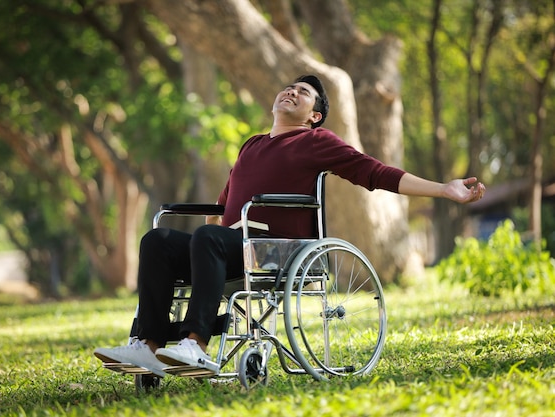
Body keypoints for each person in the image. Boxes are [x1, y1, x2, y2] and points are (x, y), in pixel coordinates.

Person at [94, 75, 486, 377]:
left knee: (209, 238)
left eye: (303, 92)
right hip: (228, 245)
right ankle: (149, 346)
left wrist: (445, 190)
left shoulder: (316, 141)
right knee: (158, 239)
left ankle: (195, 345)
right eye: (288, 88)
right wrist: (202, 239)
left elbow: (375, 172)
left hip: (278, 250)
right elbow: (223, 204)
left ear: (314, 116)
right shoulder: (251, 144)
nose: (291, 92)